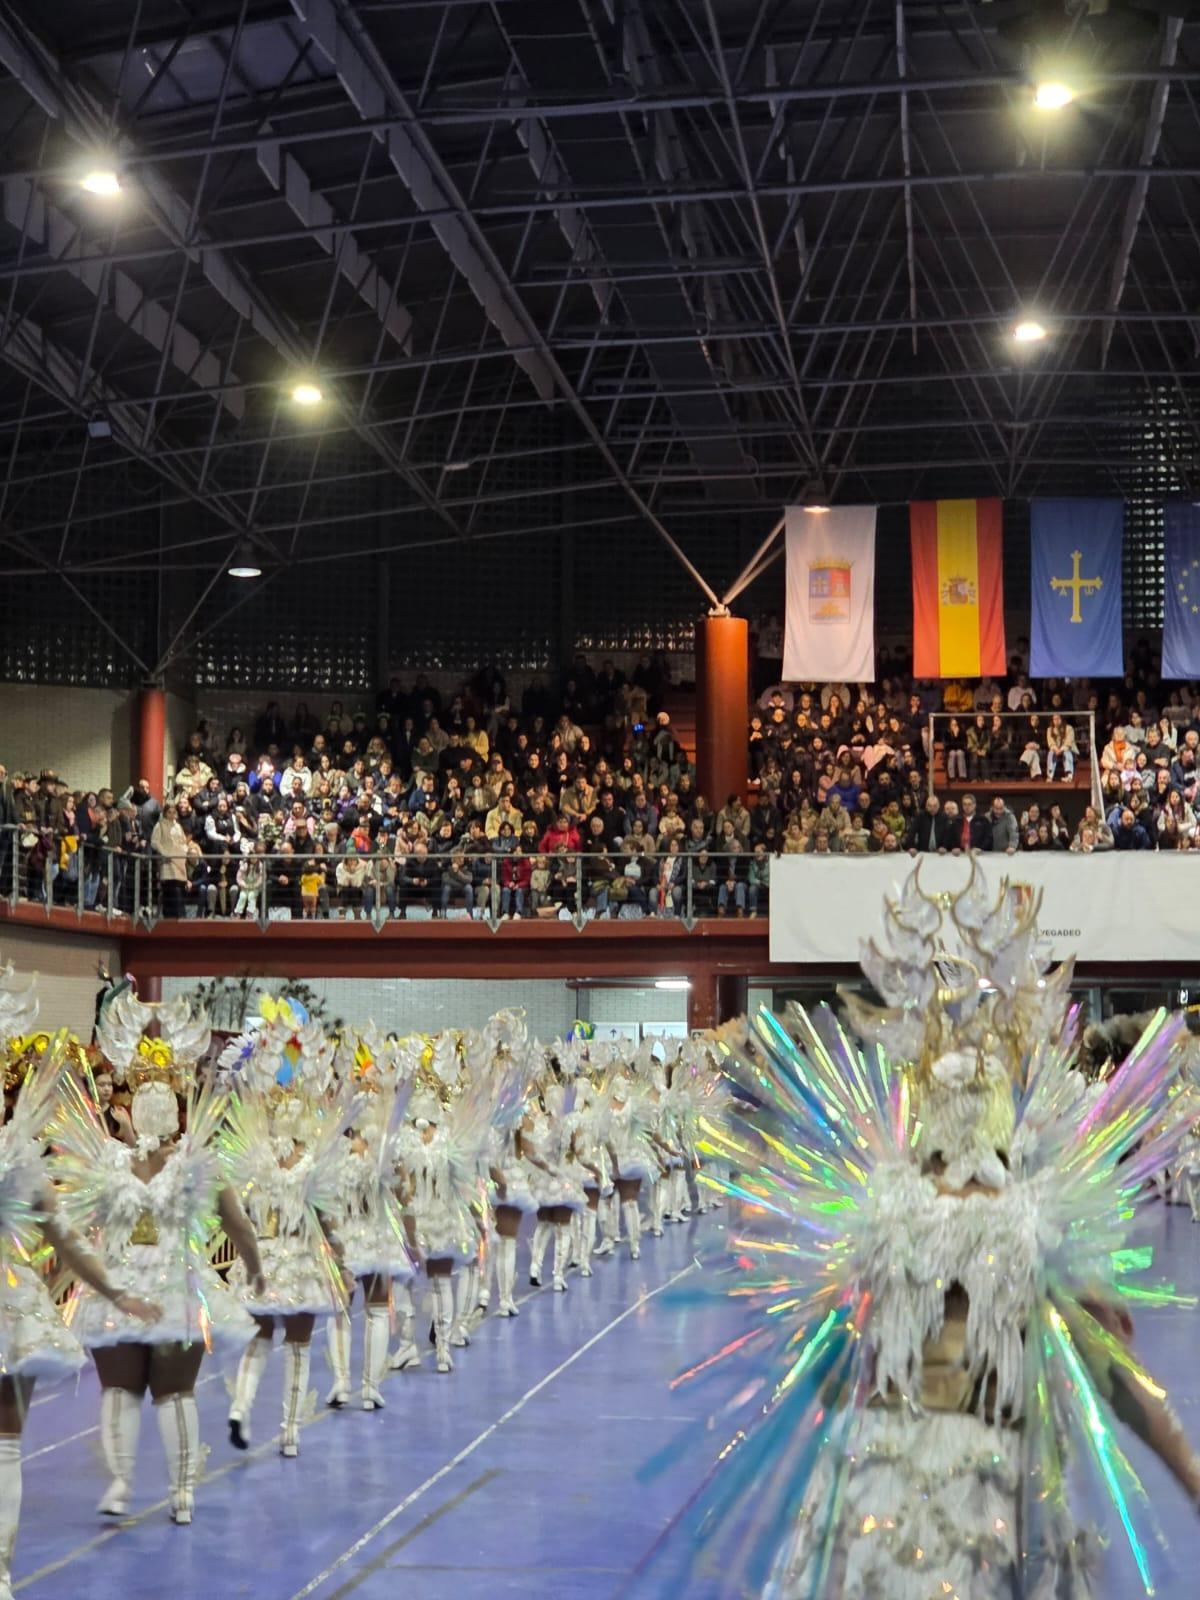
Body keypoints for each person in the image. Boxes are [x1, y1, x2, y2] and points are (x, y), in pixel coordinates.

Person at [670, 869, 1200, 1598]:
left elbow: (832, 1376)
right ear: (1005, 1120)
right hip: (982, 1491)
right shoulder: (1031, 1225)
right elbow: (1116, 1381)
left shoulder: (881, 1217)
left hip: (872, 1480)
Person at [55, 990, 264, 1527]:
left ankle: (122, 1483)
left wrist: (56, 1278)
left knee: (119, 1389)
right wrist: (255, 1268)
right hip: (177, 1288)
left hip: (117, 1291)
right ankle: (182, 1493)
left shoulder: (105, 1161)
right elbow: (237, 1224)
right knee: (176, 1394)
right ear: (176, 1104)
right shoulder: (197, 1160)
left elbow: (72, 1230)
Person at [0, 971, 161, 1596]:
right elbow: (67, 1243)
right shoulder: (23, 1165)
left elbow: (68, 1243)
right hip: (14, 1302)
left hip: (13, 1305)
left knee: (7, 1443)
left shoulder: (23, 1166)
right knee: (7, 1444)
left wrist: (118, 1292)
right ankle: (3, 1570)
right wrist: (118, 1293)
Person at [150, 804, 189, 918]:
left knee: (180, 888)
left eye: (173, 812)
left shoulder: (178, 826)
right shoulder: (160, 825)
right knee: (170, 888)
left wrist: (184, 851)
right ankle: (170, 916)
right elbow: (155, 841)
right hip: (167, 860)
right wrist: (164, 852)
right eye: (169, 812)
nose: (172, 815)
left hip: (179, 860)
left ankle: (180, 915)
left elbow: (183, 841)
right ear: (165, 813)